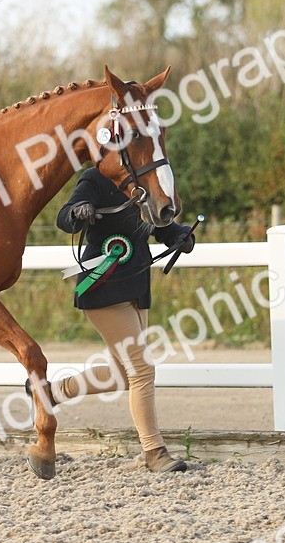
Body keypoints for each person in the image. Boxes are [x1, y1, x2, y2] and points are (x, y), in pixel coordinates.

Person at [27, 166, 196, 473]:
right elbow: (64, 218)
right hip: (100, 286)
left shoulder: (144, 183)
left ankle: (50, 393)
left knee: (122, 374)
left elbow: (161, 227)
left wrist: (180, 236)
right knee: (142, 369)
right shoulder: (95, 178)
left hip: (136, 285)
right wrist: (79, 211)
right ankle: (154, 452)